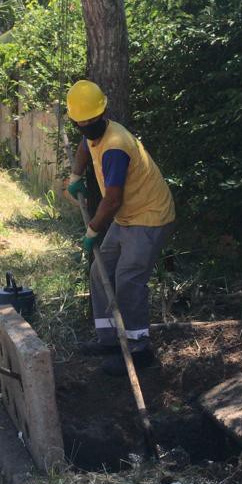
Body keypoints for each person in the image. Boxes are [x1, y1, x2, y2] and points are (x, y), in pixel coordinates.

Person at [64, 80, 176, 376]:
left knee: (128, 279)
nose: (87, 129)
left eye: (90, 123)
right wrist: (76, 174)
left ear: (103, 114)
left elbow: (112, 201)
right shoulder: (93, 133)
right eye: (81, 124)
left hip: (149, 217)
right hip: (128, 216)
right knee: (100, 271)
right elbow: (85, 147)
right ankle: (110, 340)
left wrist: (92, 231)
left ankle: (140, 349)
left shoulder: (115, 146)